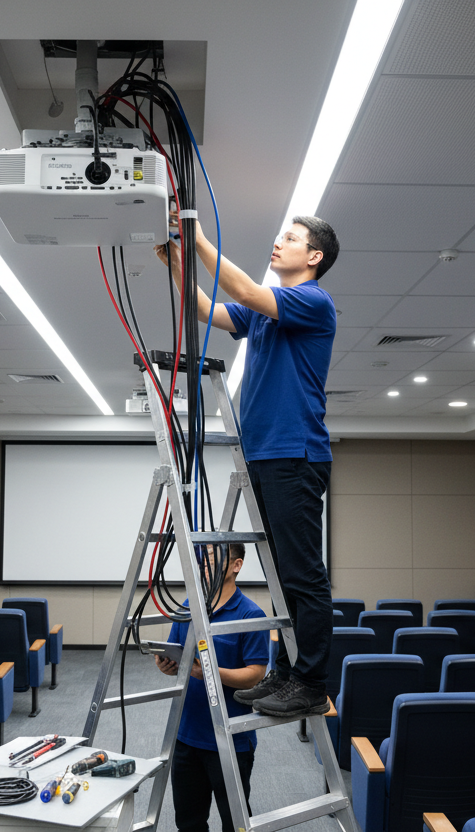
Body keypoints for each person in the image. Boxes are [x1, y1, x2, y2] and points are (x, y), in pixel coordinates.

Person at [154, 215, 338, 718]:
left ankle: (313, 682)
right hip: (262, 455)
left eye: (292, 239)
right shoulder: (265, 315)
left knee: (302, 575)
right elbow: (204, 309)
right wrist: (175, 260)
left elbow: (254, 294)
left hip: (293, 454)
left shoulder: (312, 301)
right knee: (281, 574)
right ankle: (291, 671)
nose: (279, 243)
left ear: (315, 257)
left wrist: (200, 244)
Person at [154, 543, 270, 832]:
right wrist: (167, 665)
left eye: (212, 558)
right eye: (202, 558)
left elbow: (255, 675)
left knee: (236, 824)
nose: (204, 563)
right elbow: (178, 655)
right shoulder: (187, 607)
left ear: (236, 566)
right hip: (186, 736)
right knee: (189, 823)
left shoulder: (250, 615)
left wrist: (204, 672)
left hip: (230, 740)